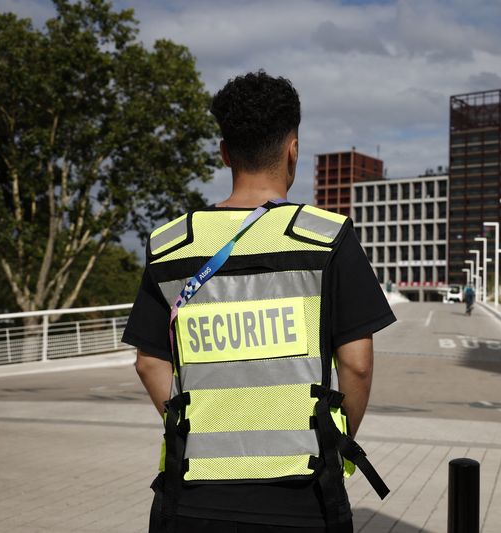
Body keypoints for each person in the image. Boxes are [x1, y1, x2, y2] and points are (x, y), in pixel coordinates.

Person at [122, 71, 395, 533]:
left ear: (225, 152)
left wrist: (198, 428)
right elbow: (358, 364)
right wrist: (334, 443)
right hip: (303, 497)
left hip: (193, 495)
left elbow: (149, 363)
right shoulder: (327, 238)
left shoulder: (171, 245)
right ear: (293, 148)